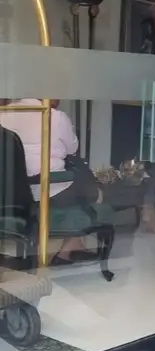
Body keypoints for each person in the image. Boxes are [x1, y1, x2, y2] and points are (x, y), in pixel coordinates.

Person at [0, 98, 100, 264]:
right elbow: (73, 148)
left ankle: (73, 244)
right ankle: (68, 248)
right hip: (48, 188)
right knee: (93, 191)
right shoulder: (56, 117)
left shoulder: (3, 113)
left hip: (11, 192)